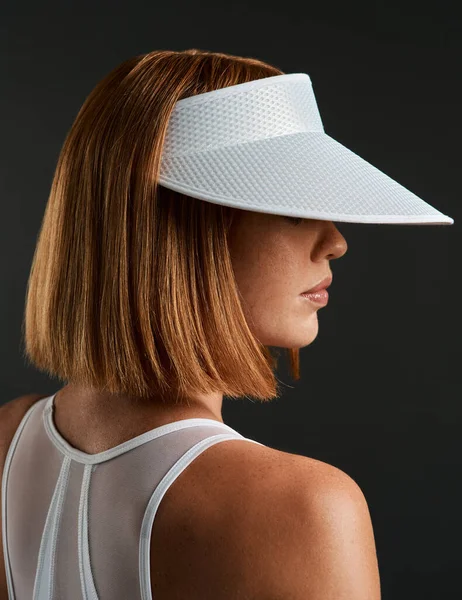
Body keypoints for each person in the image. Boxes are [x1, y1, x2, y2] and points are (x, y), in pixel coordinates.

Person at [1, 48, 453, 599]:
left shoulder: (6, 440)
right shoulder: (306, 508)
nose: (335, 241)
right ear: (187, 233)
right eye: (294, 207)